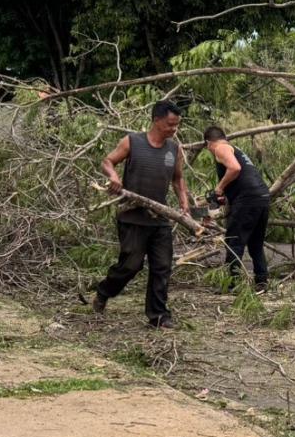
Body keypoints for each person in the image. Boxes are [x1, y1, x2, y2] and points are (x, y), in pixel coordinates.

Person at [93, 100, 191, 328]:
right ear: (156, 120)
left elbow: (177, 179)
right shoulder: (132, 142)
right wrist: (114, 177)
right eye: (170, 124)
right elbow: (107, 161)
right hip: (132, 217)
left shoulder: (174, 149)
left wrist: (184, 204)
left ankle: (159, 316)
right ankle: (104, 291)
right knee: (130, 265)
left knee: (162, 266)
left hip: (160, 219)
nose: (173, 130)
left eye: (176, 125)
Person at [203, 125, 271, 290]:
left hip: (247, 200)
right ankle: (261, 282)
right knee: (255, 243)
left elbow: (235, 168)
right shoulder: (236, 149)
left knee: (234, 242)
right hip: (262, 197)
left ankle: (230, 284)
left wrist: (219, 188)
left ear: (208, 144)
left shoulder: (220, 147)